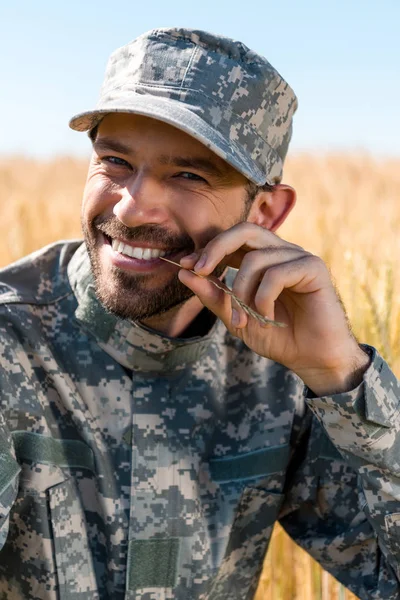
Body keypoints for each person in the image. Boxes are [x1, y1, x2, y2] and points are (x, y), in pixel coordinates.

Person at [0, 27, 399, 600]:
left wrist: (343, 376)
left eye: (188, 175)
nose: (133, 206)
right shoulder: (10, 343)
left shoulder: (284, 368)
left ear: (263, 211)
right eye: (114, 160)